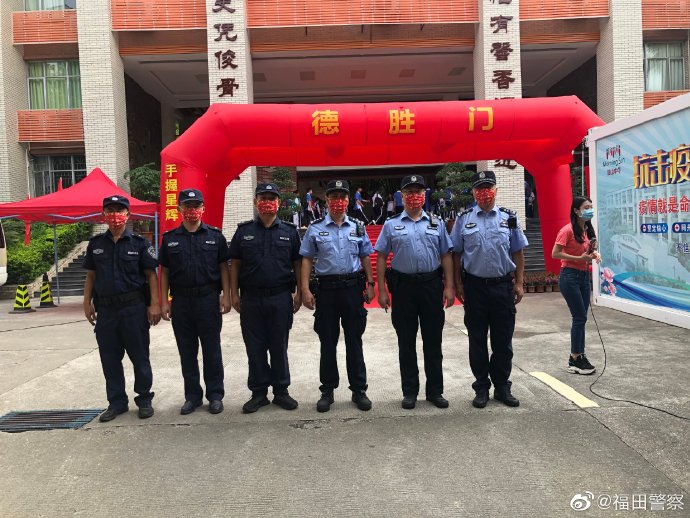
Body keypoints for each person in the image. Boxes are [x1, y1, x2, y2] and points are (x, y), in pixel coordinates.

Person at [376, 175, 455, 409]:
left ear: (424, 195)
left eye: (418, 192)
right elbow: (381, 256)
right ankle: (410, 391)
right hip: (404, 289)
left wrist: (449, 286)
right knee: (406, 342)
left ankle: (435, 391)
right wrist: (382, 290)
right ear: (401, 196)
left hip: (431, 286)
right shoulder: (391, 224)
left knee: (433, 341)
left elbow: (446, 255)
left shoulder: (436, 223)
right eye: (409, 192)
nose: (414, 196)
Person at [450, 171, 528, 409]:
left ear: (495, 190)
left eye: (488, 187)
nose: (484, 192)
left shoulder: (509, 217)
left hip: (502, 287)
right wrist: (458, 283)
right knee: (477, 340)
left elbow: (518, 251)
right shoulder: (463, 219)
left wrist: (519, 282)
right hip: (474, 288)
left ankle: (502, 386)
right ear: (473, 192)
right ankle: (481, 387)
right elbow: (456, 254)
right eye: (479, 188)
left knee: (503, 341)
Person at [83, 195, 161, 423]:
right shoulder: (96, 245)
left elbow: (151, 275)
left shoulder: (140, 244)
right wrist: (86, 302)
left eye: (119, 210)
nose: (114, 215)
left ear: (128, 214)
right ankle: (117, 402)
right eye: (110, 210)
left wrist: (154, 303)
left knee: (140, 356)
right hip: (106, 311)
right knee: (109, 358)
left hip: (133, 309)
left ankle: (144, 399)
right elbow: (91, 276)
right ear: (103, 215)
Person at [300, 179, 375, 413]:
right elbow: (306, 259)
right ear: (327, 200)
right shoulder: (315, 228)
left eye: (342, 197)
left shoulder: (358, 227)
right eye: (334, 197)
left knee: (354, 340)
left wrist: (371, 283)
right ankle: (327, 390)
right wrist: (305, 289)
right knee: (327, 341)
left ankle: (359, 389)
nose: (338, 201)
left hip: (352, 289)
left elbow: (365, 256)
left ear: (348, 200)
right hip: (327, 291)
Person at [229, 183, 303, 413]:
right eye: (263, 198)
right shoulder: (243, 232)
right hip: (251, 299)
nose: (267, 202)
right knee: (255, 347)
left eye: (272, 198)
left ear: (279, 203)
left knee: (279, 345)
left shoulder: (290, 232)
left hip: (280, 297)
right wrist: (233, 293)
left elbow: (298, 264)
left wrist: (300, 291)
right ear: (255, 202)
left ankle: (281, 391)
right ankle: (259, 393)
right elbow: (235, 264)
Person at [159, 189, 231, 415]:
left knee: (212, 350)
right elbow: (164, 272)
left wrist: (226, 295)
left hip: (208, 300)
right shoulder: (170, 239)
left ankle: (215, 395)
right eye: (187, 206)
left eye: (196, 206)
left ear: (203, 208)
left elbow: (223, 268)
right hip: (181, 301)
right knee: (187, 352)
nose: (192, 210)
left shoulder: (215, 236)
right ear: (179, 209)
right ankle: (192, 396)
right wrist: (164, 301)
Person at [551, 196, 600, 375]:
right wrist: (579, 258)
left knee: (582, 318)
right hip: (569, 276)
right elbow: (555, 253)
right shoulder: (567, 230)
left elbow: (587, 251)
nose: (590, 210)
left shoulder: (587, 230)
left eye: (591, 207)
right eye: (586, 207)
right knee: (579, 317)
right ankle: (575, 358)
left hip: (583, 276)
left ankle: (579, 356)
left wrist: (594, 254)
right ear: (576, 210)